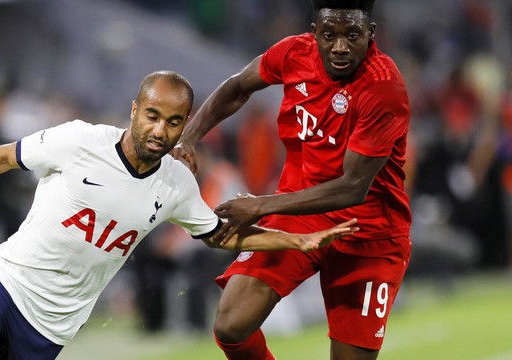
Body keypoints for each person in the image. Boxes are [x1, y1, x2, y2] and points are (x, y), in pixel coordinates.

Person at [0, 70, 358, 360]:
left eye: (174, 122)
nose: (160, 130)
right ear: (134, 110)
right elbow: (0, 157)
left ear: (183, 127)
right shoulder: (79, 140)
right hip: (6, 281)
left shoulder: (177, 184)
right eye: (152, 115)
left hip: (55, 326)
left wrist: (297, 243)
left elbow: (220, 236)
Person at [172, 1, 411, 359]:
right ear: (313, 33)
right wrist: (188, 138)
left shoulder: (383, 87)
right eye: (329, 35)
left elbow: (352, 187)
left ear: (371, 34)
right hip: (298, 212)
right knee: (231, 325)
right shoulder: (293, 53)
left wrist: (261, 205)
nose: (341, 47)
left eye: (352, 35)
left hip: (368, 234)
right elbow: (237, 87)